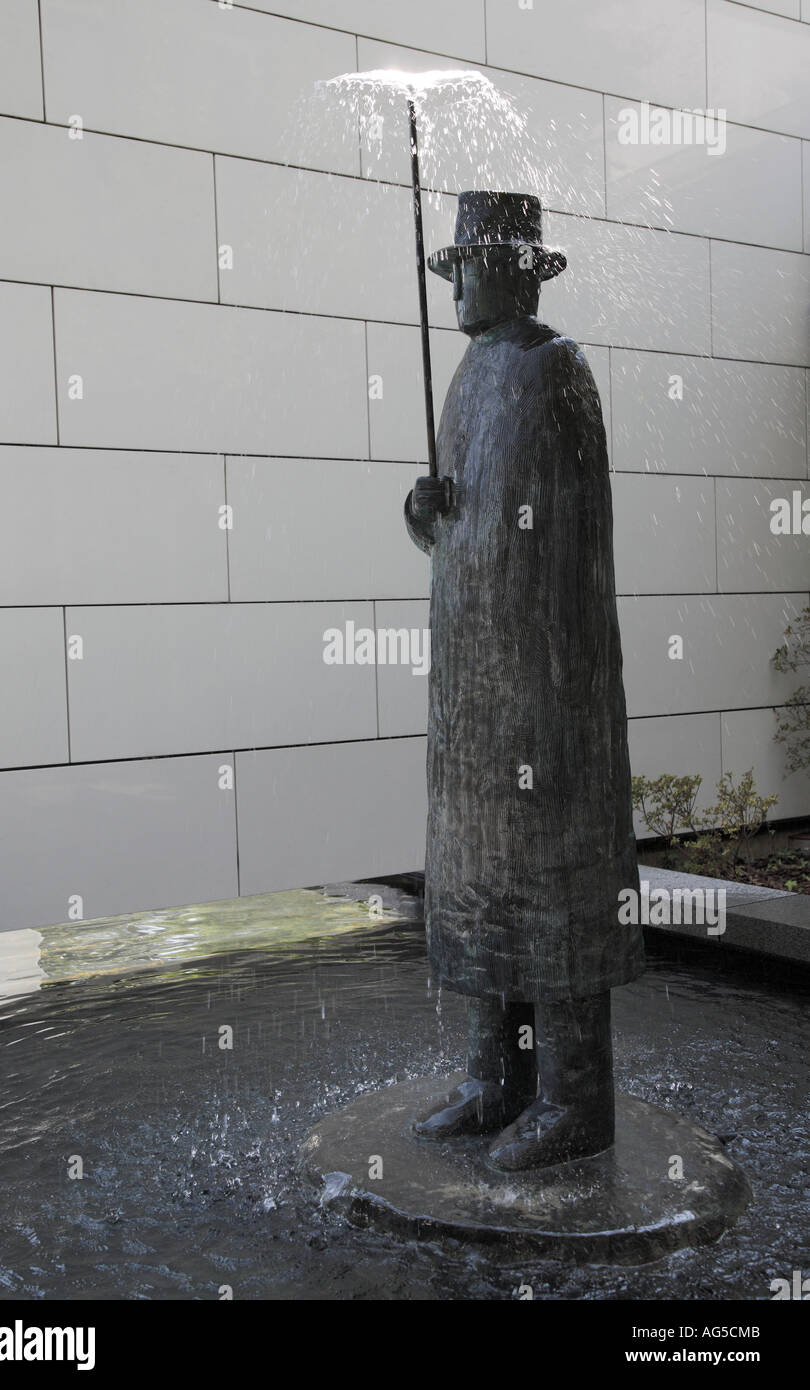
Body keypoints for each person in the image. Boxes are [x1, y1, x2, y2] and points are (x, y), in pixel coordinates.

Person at [404, 191, 644, 1172]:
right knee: (477, 876)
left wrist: (550, 679)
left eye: (471, 266)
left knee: (550, 876)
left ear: (514, 271)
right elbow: (453, 529)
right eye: (453, 267)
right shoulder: (467, 377)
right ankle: (491, 1076)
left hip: (544, 681)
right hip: (470, 684)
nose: (459, 285)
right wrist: (424, 514)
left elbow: (575, 536)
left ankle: (573, 1096)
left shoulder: (557, 370)